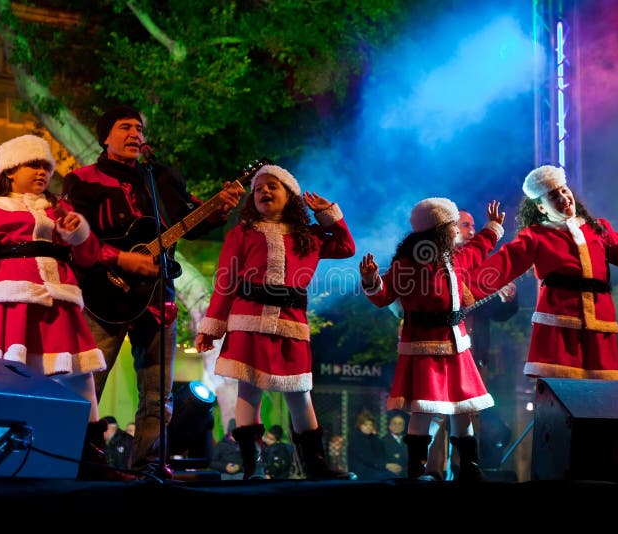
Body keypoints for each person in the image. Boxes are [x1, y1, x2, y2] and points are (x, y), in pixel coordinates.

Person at [62, 105, 244, 477]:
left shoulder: (162, 178)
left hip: (158, 295)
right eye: (125, 127)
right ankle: (81, 461)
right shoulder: (83, 180)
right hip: (103, 295)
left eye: (139, 128)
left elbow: (190, 221)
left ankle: (148, 464)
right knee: (88, 383)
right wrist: (122, 259)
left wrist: (216, 209)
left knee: (158, 393)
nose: (135, 134)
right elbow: (76, 238)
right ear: (105, 137)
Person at [0, 134, 115, 480]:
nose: (42, 171)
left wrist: (79, 233)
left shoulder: (60, 211)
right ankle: (3, 462)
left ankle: (92, 459)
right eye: (33, 164)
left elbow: (89, 257)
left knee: (79, 379)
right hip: (12, 306)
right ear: (10, 171)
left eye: (46, 166)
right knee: (11, 379)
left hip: (59, 304)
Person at [195, 164, 356, 480]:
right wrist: (211, 327)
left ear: (291, 195)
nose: (264, 192)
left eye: (273, 186)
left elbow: (346, 247)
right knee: (249, 391)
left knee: (299, 392)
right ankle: (252, 466)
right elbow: (225, 281)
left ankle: (315, 466)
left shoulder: (309, 236)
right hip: (247, 322)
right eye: (258, 189)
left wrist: (328, 214)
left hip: (290, 324)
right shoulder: (241, 233)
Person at [359, 197, 504, 481]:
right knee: (423, 408)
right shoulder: (407, 264)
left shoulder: (456, 258)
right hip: (424, 347)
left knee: (463, 407)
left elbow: (479, 247)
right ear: (440, 229)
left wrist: (493, 228)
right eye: (453, 226)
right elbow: (382, 296)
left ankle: (470, 468)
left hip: (456, 345)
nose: (457, 232)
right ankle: (417, 470)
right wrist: (371, 279)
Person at [469, 165, 618, 381]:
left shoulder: (598, 228)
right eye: (554, 196)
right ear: (542, 208)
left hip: (600, 326)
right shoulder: (535, 236)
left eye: (564, 190)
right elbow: (503, 264)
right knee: (561, 395)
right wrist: (457, 290)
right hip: (558, 329)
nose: (563, 197)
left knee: (603, 396)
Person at [426, 209, 519, 480]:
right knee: (436, 411)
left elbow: (499, 314)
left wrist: (506, 298)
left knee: (469, 412)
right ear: (450, 229)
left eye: (474, 226)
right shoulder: (433, 261)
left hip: (474, 351)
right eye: (465, 225)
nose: (472, 230)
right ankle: (431, 471)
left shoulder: (483, 265)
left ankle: (462, 469)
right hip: (439, 349)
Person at [347, 409, 392, 481]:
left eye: (370, 424)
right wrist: (384, 465)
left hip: (374, 470)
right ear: (360, 426)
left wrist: (375, 437)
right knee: (389, 477)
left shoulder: (373, 439)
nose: (368, 427)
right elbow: (366, 458)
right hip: (361, 473)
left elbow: (381, 454)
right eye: (365, 424)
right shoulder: (355, 439)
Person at [380, 411, 408, 478]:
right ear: (390, 426)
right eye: (394, 423)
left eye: (400, 424)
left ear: (403, 427)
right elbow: (379, 460)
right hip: (388, 477)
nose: (397, 426)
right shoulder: (382, 441)